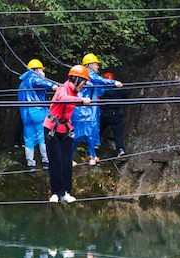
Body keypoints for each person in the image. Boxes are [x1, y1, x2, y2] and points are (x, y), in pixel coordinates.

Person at [44, 65, 91, 204]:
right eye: (83, 82)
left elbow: (71, 103)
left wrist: (81, 102)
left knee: (67, 161)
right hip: (51, 128)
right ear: (76, 79)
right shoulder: (63, 89)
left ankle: (65, 192)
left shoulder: (74, 92)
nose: (83, 86)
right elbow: (63, 98)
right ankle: (55, 192)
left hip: (65, 129)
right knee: (56, 160)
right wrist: (81, 101)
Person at [71, 53, 123, 166]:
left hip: (87, 111)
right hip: (81, 111)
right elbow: (99, 80)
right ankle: (70, 157)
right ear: (89, 65)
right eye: (96, 64)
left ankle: (92, 156)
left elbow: (100, 90)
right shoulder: (87, 73)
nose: (98, 66)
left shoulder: (89, 77)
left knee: (90, 133)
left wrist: (108, 87)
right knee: (77, 134)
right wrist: (114, 82)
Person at [18, 59, 59, 172]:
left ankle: (31, 164)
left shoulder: (22, 83)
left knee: (29, 139)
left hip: (25, 115)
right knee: (42, 137)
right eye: (41, 69)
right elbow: (40, 82)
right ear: (36, 70)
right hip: (37, 111)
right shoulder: (34, 77)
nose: (42, 72)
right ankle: (46, 161)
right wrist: (54, 86)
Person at [100, 72, 129, 157]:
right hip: (116, 114)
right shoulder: (118, 90)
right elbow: (126, 94)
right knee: (118, 133)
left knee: (99, 129)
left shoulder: (103, 91)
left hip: (105, 114)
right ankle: (120, 149)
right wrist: (120, 86)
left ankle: (95, 145)